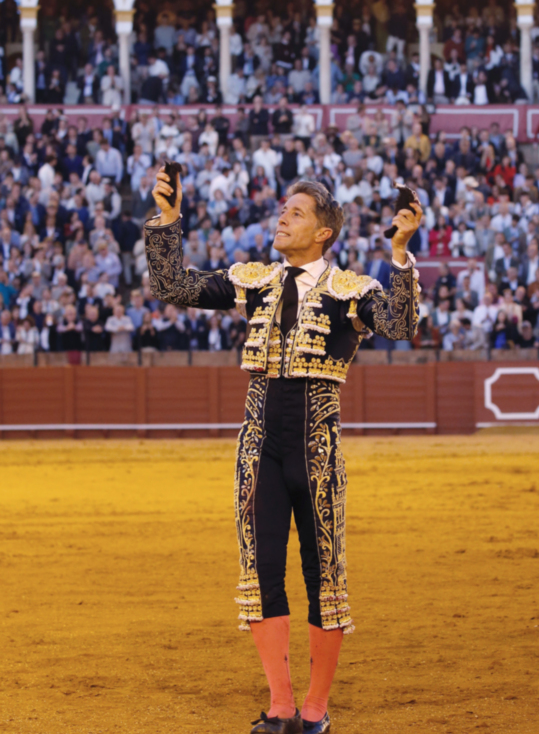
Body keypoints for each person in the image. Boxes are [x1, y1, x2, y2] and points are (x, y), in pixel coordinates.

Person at [145, 171, 422, 734]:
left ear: (323, 233)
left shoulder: (351, 290)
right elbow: (173, 286)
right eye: (282, 209)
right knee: (262, 571)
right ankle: (279, 705)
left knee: (325, 575)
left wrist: (399, 252)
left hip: (317, 452)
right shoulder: (255, 282)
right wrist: (168, 221)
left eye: (295, 213)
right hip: (259, 451)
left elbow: (401, 324)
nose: (282, 217)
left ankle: (315, 709)